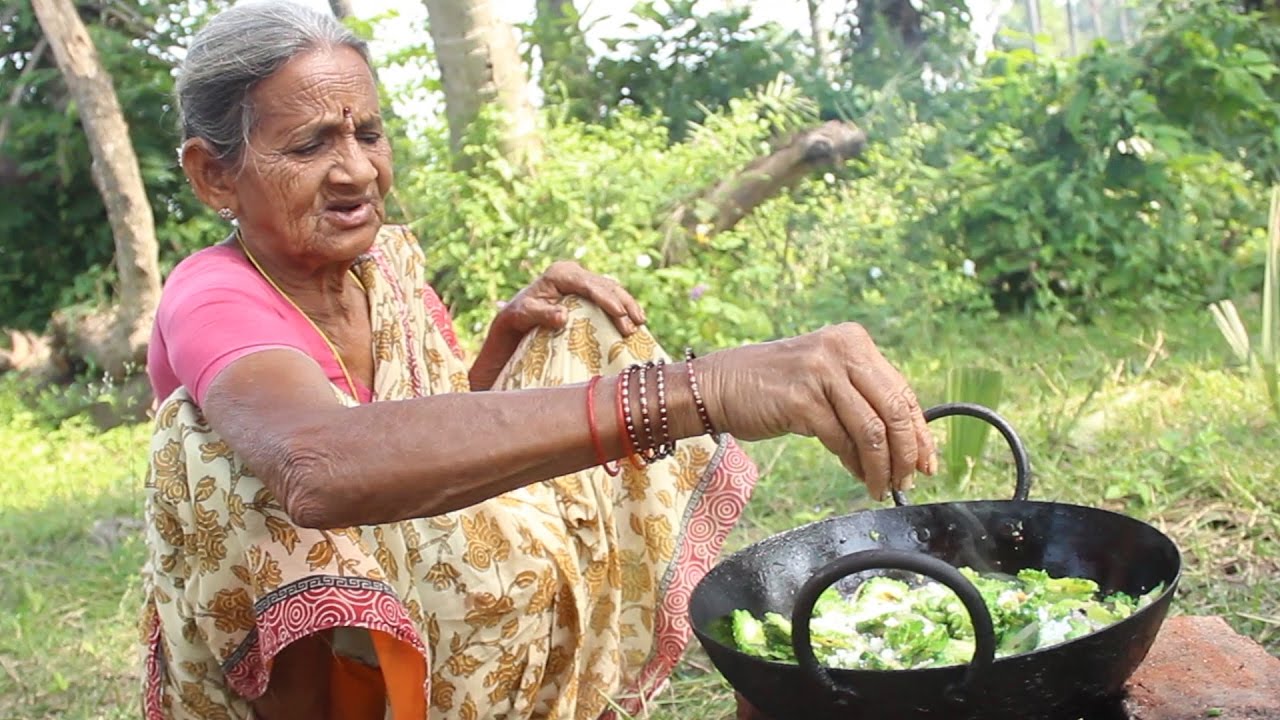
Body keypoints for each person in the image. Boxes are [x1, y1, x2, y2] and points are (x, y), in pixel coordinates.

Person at [138, 2, 937, 719]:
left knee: (581, 323)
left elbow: (428, 421)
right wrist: (696, 391)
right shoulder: (214, 296)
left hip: (415, 575)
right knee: (202, 452)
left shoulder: (385, 270)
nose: (356, 171)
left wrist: (503, 352)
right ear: (214, 175)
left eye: (369, 134)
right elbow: (317, 464)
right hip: (334, 671)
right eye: (311, 144)